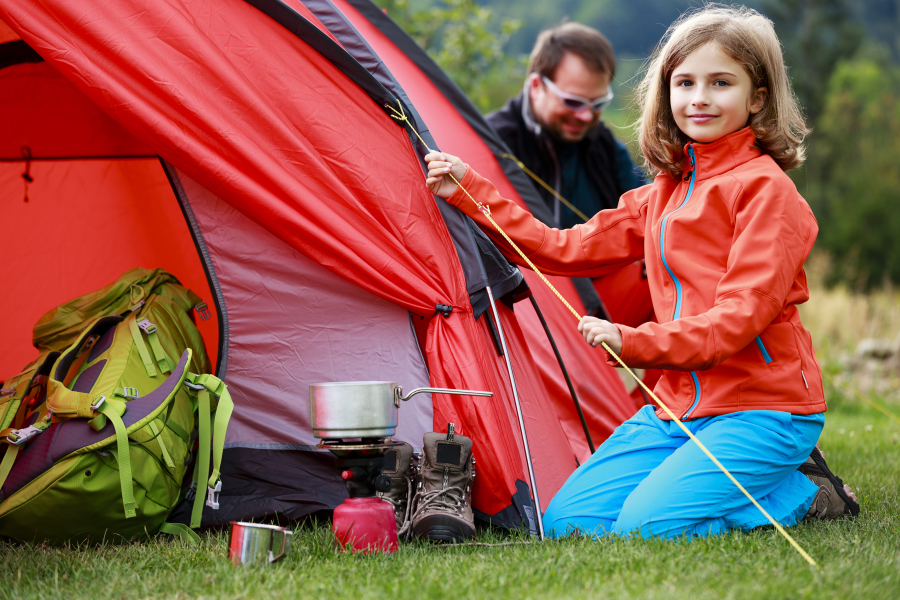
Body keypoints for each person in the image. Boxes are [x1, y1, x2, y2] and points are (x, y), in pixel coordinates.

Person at [423, 5, 859, 538]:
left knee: (644, 527)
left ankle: (807, 491)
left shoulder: (769, 193)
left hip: (762, 408)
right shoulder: (664, 192)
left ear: (757, 98)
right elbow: (561, 248)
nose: (698, 98)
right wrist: (472, 191)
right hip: (676, 405)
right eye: (685, 82)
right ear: (666, 91)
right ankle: (736, 481)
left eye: (721, 82)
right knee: (567, 522)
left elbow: (736, 320)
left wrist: (632, 342)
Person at [487, 22, 646, 230]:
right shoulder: (493, 143)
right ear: (536, 86)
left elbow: (649, 212)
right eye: (573, 101)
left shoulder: (604, 145)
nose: (586, 116)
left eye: (598, 103)